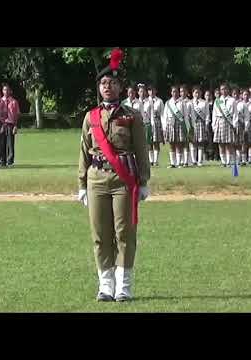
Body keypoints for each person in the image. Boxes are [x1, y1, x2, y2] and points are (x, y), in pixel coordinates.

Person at [77, 48, 150, 302]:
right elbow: (84, 152)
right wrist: (82, 184)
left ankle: (123, 287)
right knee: (99, 235)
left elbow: (141, 150)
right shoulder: (91, 117)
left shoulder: (132, 116)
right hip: (96, 179)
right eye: (104, 83)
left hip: (123, 181)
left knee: (124, 234)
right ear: (99, 87)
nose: (108, 87)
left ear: (120, 87)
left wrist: (143, 182)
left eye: (113, 83)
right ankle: (105, 286)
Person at [162, 85, 189, 168]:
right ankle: (172, 163)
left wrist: (187, 127)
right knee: (171, 144)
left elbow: (185, 115)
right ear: (171, 93)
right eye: (173, 91)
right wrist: (164, 127)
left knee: (179, 144)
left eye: (176, 91)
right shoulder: (168, 103)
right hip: (170, 125)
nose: (175, 93)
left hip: (180, 124)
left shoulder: (182, 102)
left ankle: (178, 163)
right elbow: (165, 116)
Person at [212, 83, 237, 167]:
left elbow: (235, 114)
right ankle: (223, 162)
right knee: (220, 143)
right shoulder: (217, 101)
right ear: (220, 90)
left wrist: (234, 124)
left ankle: (228, 162)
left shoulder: (232, 100)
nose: (224, 91)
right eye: (222, 89)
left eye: (225, 89)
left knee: (228, 143)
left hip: (229, 122)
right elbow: (214, 114)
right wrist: (214, 125)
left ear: (228, 90)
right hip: (219, 121)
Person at [188, 86, 210, 166]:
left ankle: (200, 161)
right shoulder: (189, 102)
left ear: (201, 93)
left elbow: (207, 114)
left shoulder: (204, 102)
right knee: (193, 142)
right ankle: (193, 161)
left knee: (200, 142)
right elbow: (188, 115)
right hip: (192, 124)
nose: (197, 94)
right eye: (195, 92)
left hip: (201, 123)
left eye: (198, 92)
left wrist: (207, 124)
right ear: (192, 93)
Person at [144, 85, 164, 166]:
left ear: (156, 91)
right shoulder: (145, 101)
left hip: (157, 122)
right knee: (149, 142)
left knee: (156, 142)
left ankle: (156, 160)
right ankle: (151, 160)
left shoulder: (159, 101)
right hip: (148, 122)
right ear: (148, 92)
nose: (151, 92)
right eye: (149, 90)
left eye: (153, 90)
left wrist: (163, 126)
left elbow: (162, 114)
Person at [1, 84, 20, 167]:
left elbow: (17, 114)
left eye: (8, 90)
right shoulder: (0, 101)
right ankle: (2, 160)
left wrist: (15, 126)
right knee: (1, 143)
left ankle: (10, 161)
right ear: (2, 91)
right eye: (5, 90)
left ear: (10, 91)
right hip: (2, 124)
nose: (6, 91)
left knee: (10, 143)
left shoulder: (14, 102)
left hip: (10, 124)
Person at [179, 84, 192, 166]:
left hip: (187, 123)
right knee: (179, 142)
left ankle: (186, 161)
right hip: (179, 124)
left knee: (186, 143)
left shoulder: (189, 102)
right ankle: (180, 160)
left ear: (187, 92)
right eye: (181, 91)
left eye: (184, 91)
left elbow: (192, 114)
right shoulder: (177, 101)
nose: (182, 93)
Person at [234, 87, 246, 165]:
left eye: (237, 94)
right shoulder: (230, 103)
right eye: (234, 94)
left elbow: (246, 116)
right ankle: (234, 160)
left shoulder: (243, 104)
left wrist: (246, 126)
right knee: (233, 143)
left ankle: (242, 160)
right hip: (232, 125)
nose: (235, 95)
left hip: (241, 124)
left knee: (241, 143)